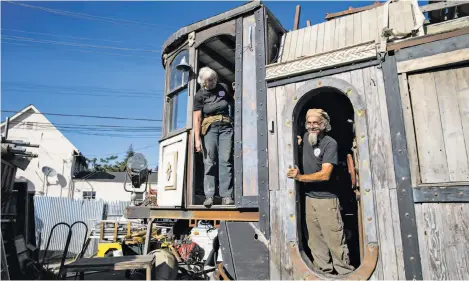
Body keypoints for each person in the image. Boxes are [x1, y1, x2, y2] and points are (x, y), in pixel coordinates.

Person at [287, 108, 354, 275]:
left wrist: (299, 177)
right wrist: (298, 144)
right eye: (309, 123)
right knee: (315, 242)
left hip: (327, 199)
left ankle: (345, 274)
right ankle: (324, 273)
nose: (312, 126)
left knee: (335, 241)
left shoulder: (330, 143)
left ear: (324, 125)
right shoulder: (306, 140)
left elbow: (325, 175)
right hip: (309, 199)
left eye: (316, 123)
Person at [193, 67, 234, 207]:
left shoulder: (223, 88)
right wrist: (197, 140)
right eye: (210, 80)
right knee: (210, 161)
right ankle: (209, 195)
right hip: (210, 128)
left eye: (214, 79)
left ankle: (226, 195)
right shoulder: (199, 96)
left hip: (226, 127)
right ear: (203, 81)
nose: (213, 82)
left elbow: (232, 101)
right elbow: (197, 119)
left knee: (225, 160)